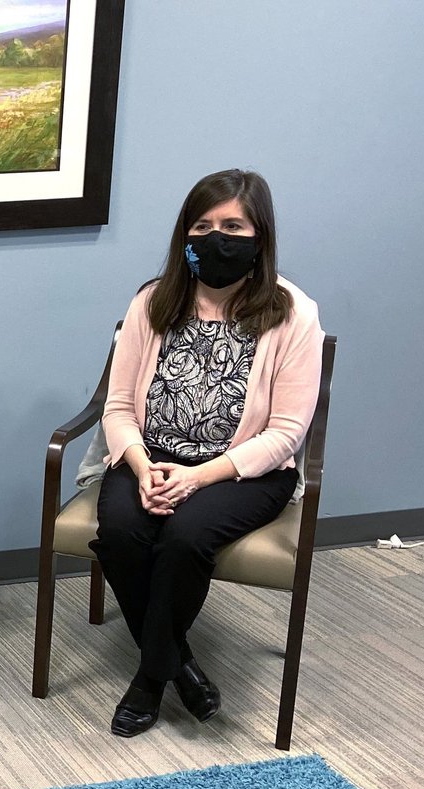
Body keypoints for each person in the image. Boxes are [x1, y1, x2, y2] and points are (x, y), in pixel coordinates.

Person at [92, 169, 324, 737]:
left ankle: (150, 678)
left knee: (185, 538)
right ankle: (179, 664)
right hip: (153, 457)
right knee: (121, 531)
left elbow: (287, 433)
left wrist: (197, 478)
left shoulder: (294, 312)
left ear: (259, 235)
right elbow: (117, 407)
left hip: (245, 471)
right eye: (203, 225)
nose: (217, 237)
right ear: (185, 235)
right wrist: (144, 468)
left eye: (232, 225)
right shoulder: (155, 301)